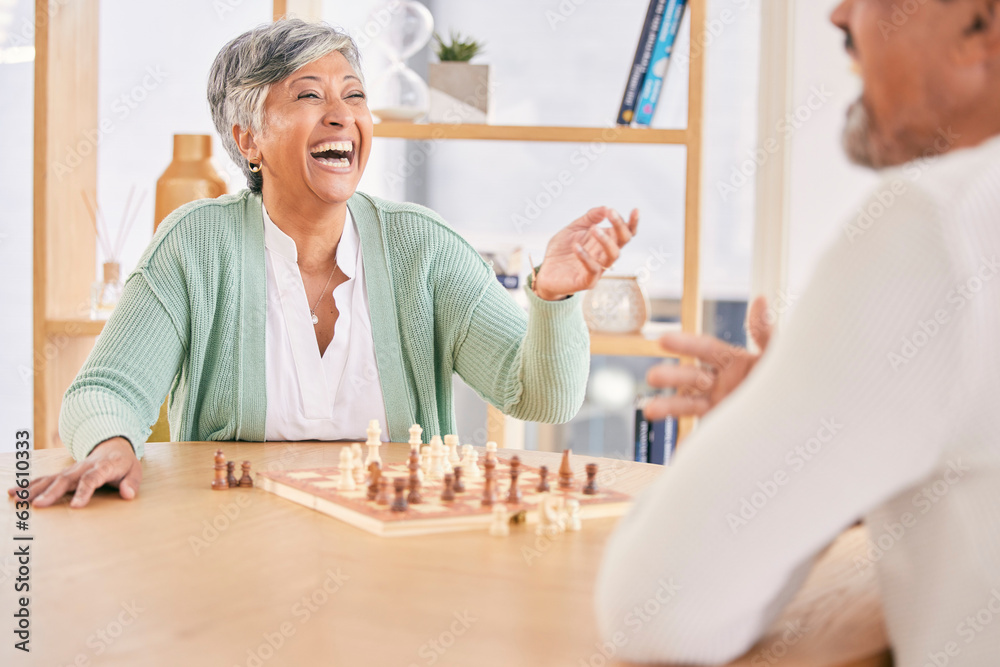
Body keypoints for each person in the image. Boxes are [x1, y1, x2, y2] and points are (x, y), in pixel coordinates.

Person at [12, 20, 638, 510]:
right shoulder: (194, 244)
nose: (342, 115)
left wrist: (553, 298)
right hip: (227, 548)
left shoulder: (422, 247)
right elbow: (107, 389)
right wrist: (113, 444)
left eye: (355, 96)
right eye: (309, 95)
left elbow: (540, 396)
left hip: (391, 545)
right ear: (248, 139)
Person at [596, 0, 1000, 664]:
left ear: (979, 24)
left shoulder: (936, 224)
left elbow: (657, 610)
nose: (839, 16)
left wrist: (775, 429)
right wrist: (828, 422)